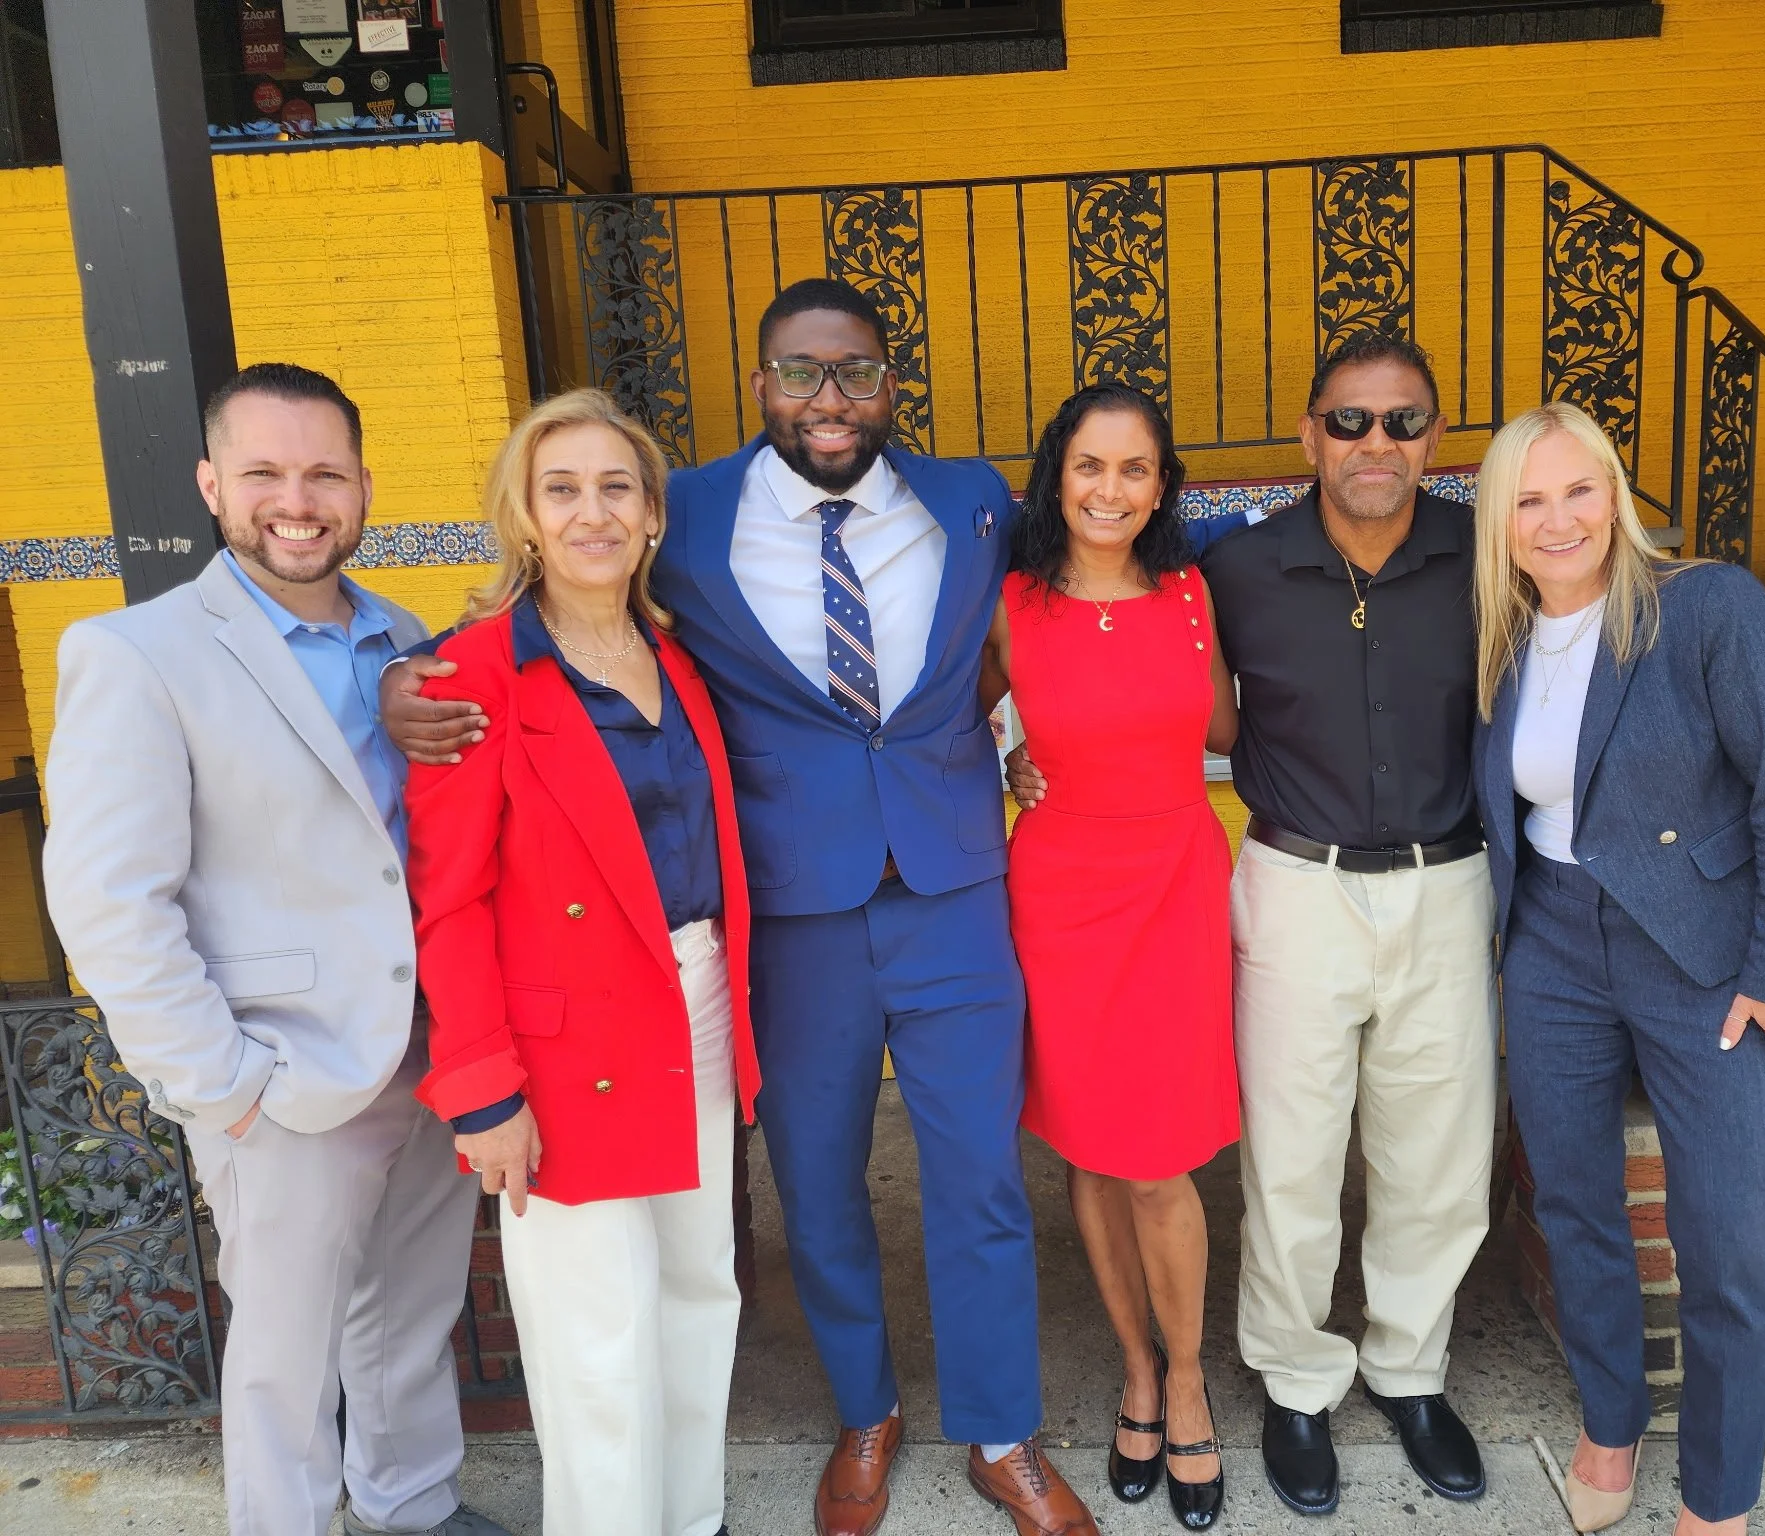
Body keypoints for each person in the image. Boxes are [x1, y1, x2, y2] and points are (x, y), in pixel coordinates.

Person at [381, 282, 1248, 1536]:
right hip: (792, 913)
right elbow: (559, 609)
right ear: (761, 384)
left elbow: (1082, 605)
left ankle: (1000, 1431)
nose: (828, 401)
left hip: (957, 895)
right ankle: (865, 1411)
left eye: (854, 375)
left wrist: (1029, 747)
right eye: (800, 374)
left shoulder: (970, 502)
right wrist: (411, 676)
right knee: (820, 1183)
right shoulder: (684, 517)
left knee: (979, 1179)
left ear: (892, 384)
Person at [1011, 330, 1495, 1516]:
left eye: (1399, 422)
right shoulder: (1233, 570)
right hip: (1280, 879)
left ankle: (1409, 1371)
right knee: (1288, 1156)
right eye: (1347, 420)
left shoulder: (1487, 559)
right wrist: (1009, 772)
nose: (1373, 442)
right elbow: (960, 710)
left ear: (1434, 437)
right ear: (1307, 434)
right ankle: (1290, 1383)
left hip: (1436, 881)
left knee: (1434, 1156)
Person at [41, 364, 508, 1536]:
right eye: (262, 473)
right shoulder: (135, 653)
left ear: (362, 487)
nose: (295, 500)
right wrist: (223, 1089)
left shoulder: (403, 635)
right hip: (281, 1071)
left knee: (411, 1307)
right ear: (211, 484)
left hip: (425, 1052)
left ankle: (410, 1505)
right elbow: (108, 902)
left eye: (323, 473)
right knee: (285, 1361)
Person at [1470, 402, 1765, 1536]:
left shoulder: (1702, 605)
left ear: (1616, 494)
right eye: (1528, 499)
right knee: (1574, 1203)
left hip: (1706, 952)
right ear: (1501, 523)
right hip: (1552, 948)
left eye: (1578, 490)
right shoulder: (1506, 636)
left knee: (1723, 1233)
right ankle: (1608, 1426)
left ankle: (1716, 1500)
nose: (1557, 518)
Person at [402, 389, 757, 1536]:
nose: (591, 511)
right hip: (563, 1049)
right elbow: (446, 904)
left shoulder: (681, 658)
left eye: (615, 487)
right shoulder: (472, 676)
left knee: (701, 1295)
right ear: (526, 517)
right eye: (562, 490)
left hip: (695, 1002)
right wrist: (483, 1091)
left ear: (652, 514)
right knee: (595, 1336)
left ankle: (688, 1519)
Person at [980, 385, 1239, 1531]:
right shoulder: (1009, 604)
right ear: (1055, 475)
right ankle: (1135, 1368)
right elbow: (949, 726)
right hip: (1062, 892)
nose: (1109, 490)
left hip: (1175, 883)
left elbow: (1226, 724)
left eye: (1135, 470)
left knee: (1161, 1156)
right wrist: (1007, 765)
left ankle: (1186, 1378)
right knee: (1090, 1148)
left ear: (1162, 484)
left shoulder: (1190, 594)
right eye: (1089, 466)